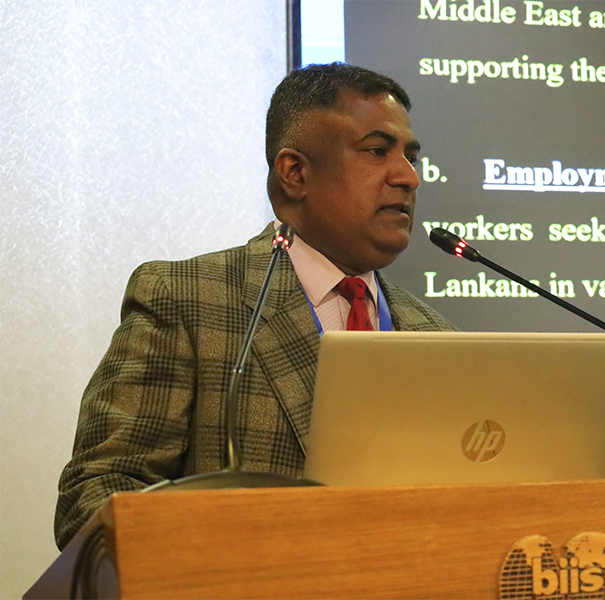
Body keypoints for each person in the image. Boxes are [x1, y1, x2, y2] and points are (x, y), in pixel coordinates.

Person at [54, 63, 455, 549]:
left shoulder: (434, 334)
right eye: (377, 151)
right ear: (295, 172)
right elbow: (96, 493)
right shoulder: (187, 299)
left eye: (411, 157)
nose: (408, 177)